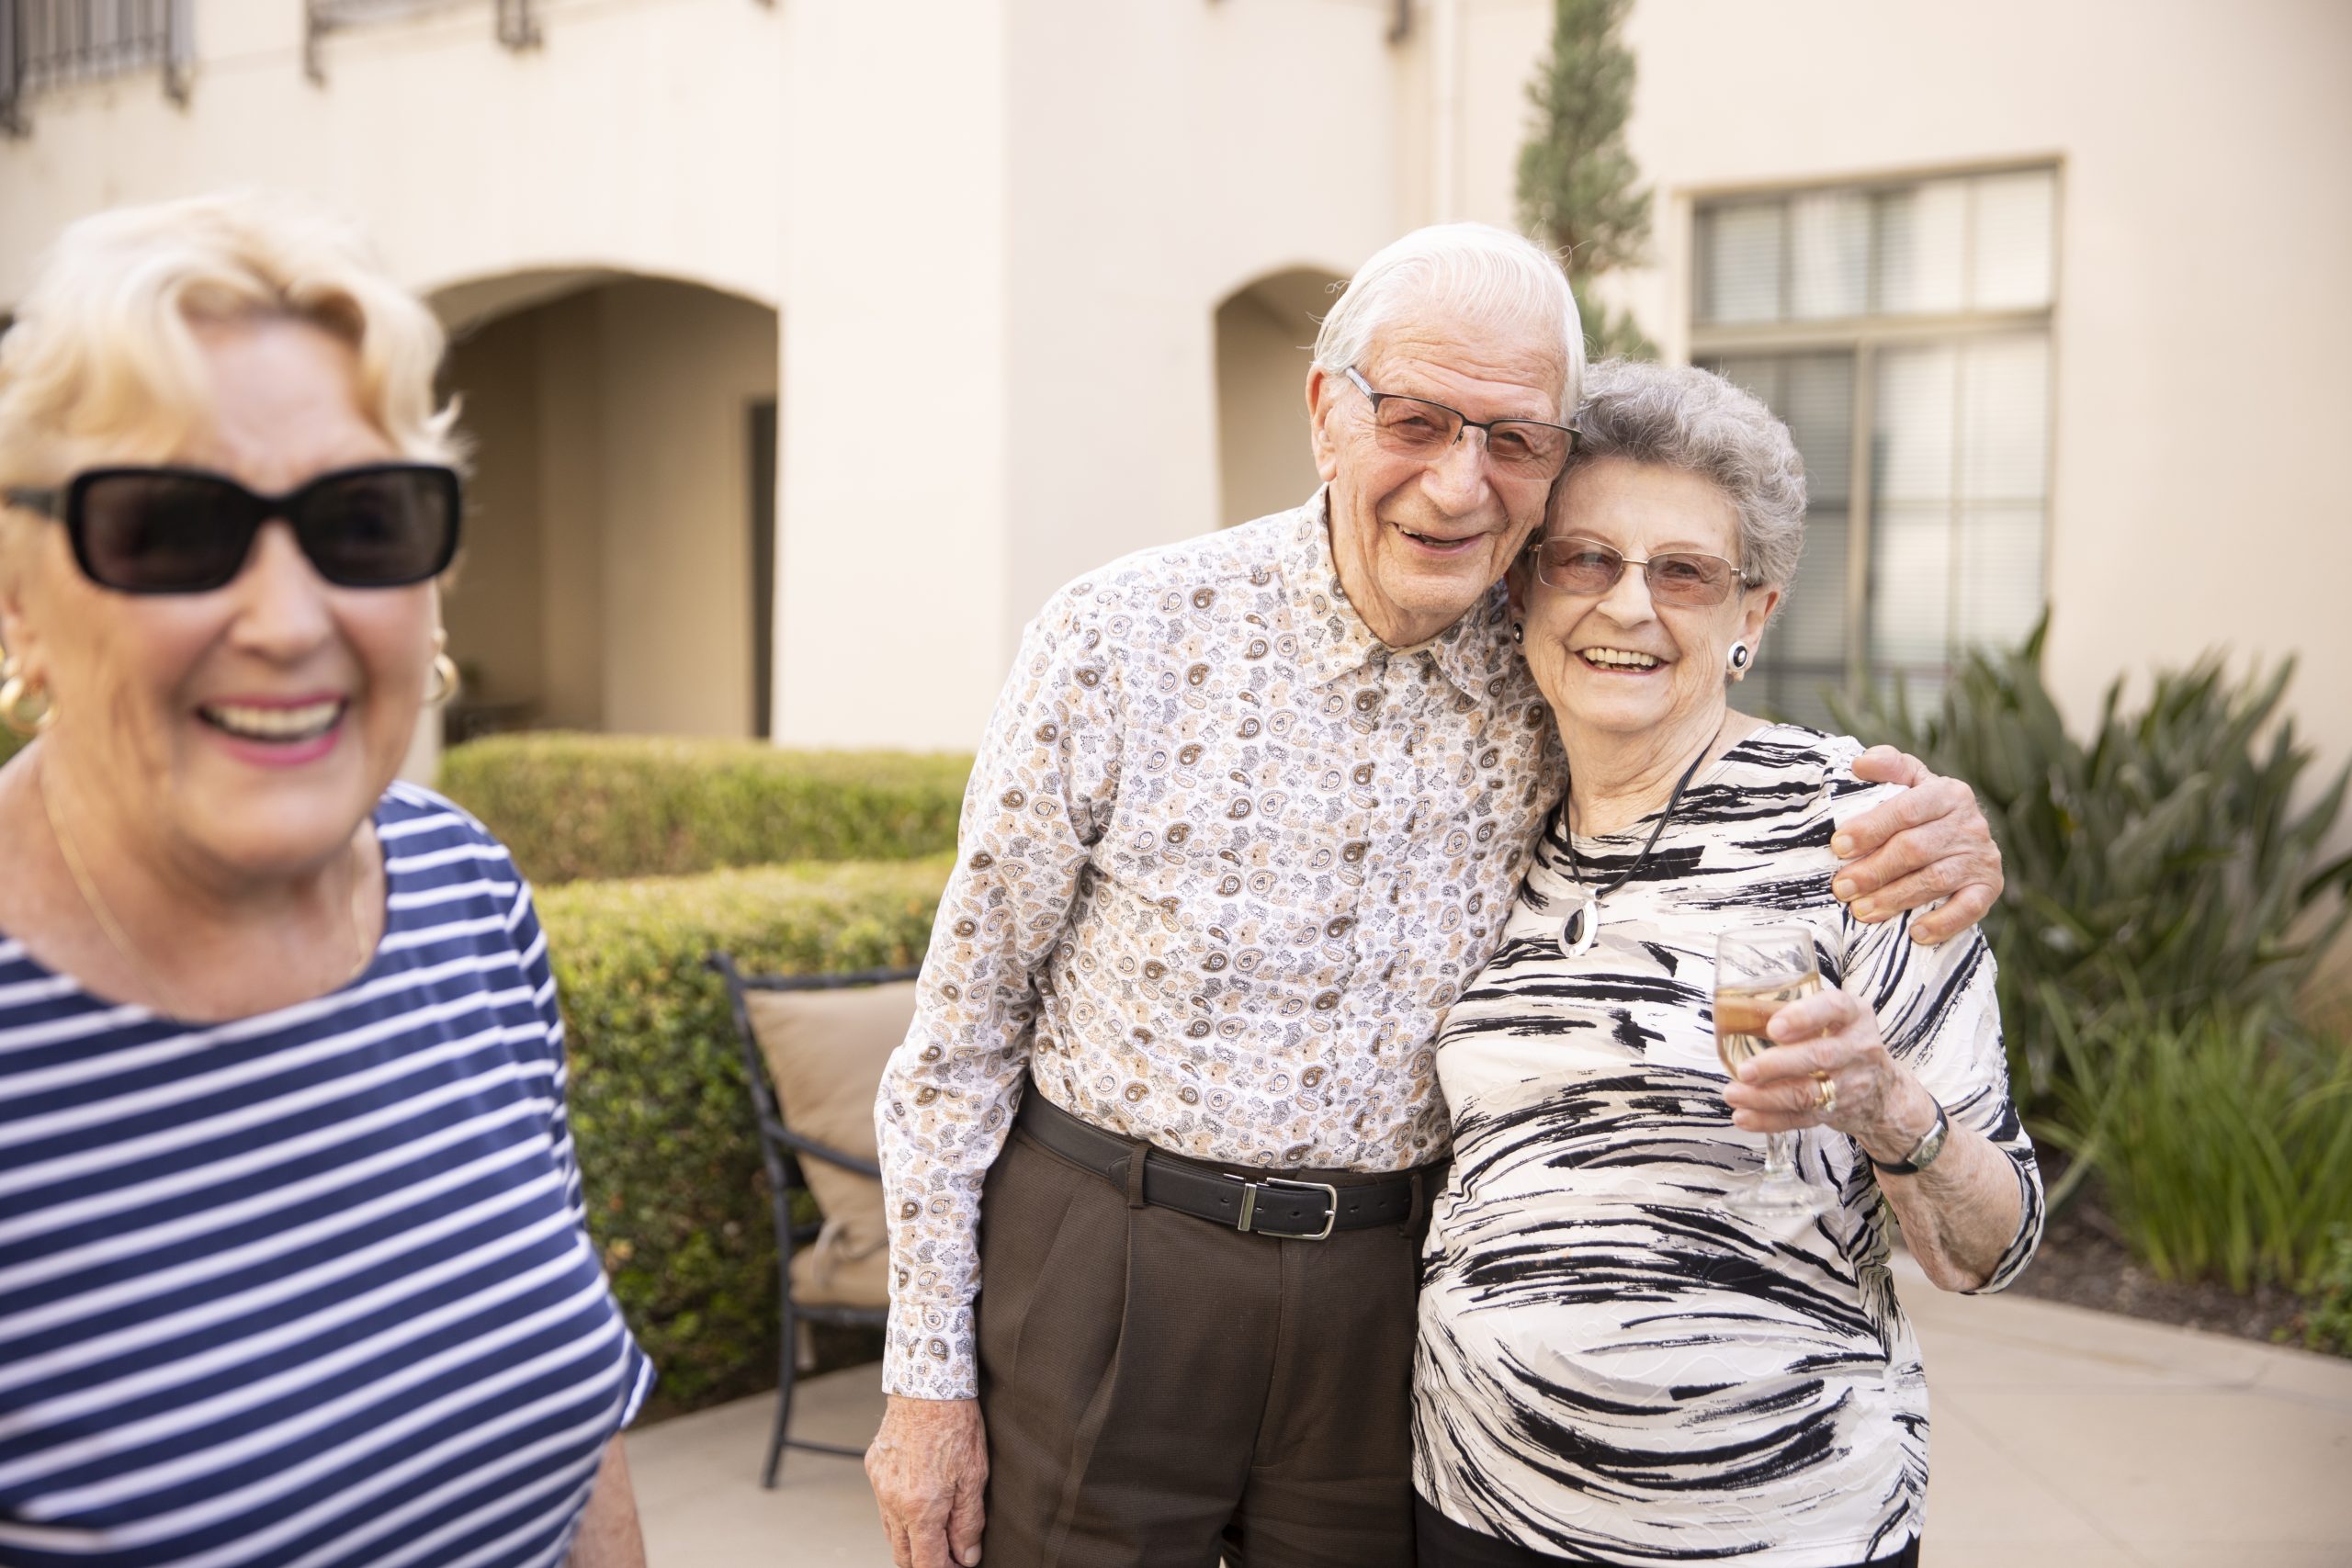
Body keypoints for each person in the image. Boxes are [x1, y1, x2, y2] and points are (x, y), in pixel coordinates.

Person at [868, 223, 2006, 1568]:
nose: (1458, 485)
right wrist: (925, 1378)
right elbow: (961, 1033)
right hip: (1116, 1264)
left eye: (1515, 441)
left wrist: (1945, 830)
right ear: (1326, 415)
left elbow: (1692, 697)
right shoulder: (1119, 638)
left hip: (1384, 1306)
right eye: (1416, 420)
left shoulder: (1550, 660)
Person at [0, 193, 652, 1567]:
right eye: (171, 529)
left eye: (362, 521)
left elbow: (578, 1440)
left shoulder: (463, 894)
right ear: (19, 598)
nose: (289, 620)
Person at [1411, 360, 2043, 1568]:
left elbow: (1988, 1246)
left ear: (1750, 616)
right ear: (1526, 590)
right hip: (1473, 1507)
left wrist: (1885, 1106)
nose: (1628, 607)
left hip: (1778, 1524)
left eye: (1684, 573)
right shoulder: (1483, 815)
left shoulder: (1862, 834)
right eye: (1584, 558)